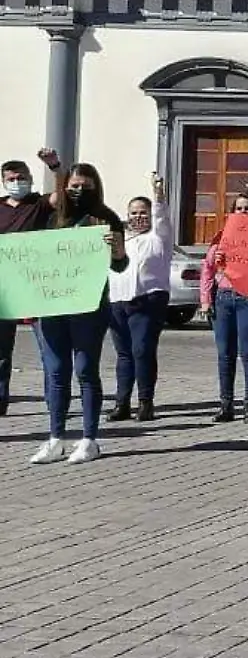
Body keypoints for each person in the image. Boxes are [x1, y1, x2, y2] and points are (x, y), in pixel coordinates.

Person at [29, 155, 129, 465]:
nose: (78, 191)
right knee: (57, 372)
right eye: (74, 186)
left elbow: (121, 265)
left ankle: (89, 439)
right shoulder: (51, 217)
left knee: (86, 370)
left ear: (95, 188)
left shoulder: (105, 217)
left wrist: (118, 250)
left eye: (85, 187)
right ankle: (55, 437)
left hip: (89, 306)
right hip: (53, 304)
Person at [107, 174, 174, 423]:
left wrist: (158, 196)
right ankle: (121, 403)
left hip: (148, 300)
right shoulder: (120, 240)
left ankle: (145, 402)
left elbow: (161, 218)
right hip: (118, 301)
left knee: (142, 350)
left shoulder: (159, 238)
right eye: (133, 213)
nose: (138, 217)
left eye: (142, 212)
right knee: (124, 354)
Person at [201, 191, 248, 423]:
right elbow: (208, 269)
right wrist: (205, 300)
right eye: (238, 208)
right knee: (225, 354)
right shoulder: (222, 236)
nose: (243, 212)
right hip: (224, 297)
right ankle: (226, 405)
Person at [0, 155, 56, 417]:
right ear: (3, 182)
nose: (16, 182)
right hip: (3, 291)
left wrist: (55, 166)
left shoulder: (39, 204)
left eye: (21, 177)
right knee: (1, 353)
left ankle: (53, 401)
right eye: (11, 179)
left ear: (30, 179)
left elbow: (65, 195)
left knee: (49, 351)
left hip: (36, 289)